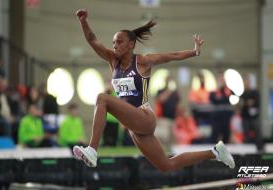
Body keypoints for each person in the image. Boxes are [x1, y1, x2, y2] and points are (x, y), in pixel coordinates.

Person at [72, 9, 235, 171]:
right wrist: (83, 22)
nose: (115, 46)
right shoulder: (112, 61)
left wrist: (194, 51)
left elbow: (172, 55)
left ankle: (92, 150)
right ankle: (215, 152)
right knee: (166, 165)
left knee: (102, 98)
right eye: (113, 43)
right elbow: (92, 40)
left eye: (119, 42)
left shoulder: (142, 61)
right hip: (133, 125)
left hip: (144, 117)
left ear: (131, 45)